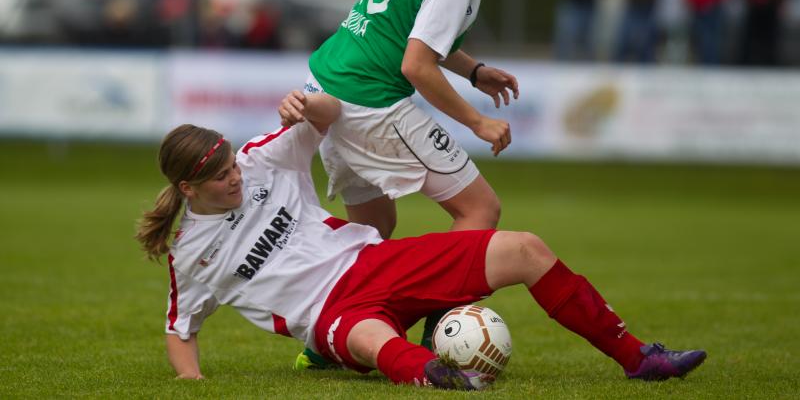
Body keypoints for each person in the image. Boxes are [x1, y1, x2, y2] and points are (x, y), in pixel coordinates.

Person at [135, 90, 707, 389]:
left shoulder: (261, 160)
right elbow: (180, 329)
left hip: (376, 262)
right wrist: (192, 381)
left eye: (232, 165)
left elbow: (327, 115)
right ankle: (440, 377)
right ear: (189, 188)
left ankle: (638, 359)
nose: (235, 177)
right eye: (221, 178)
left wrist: (307, 104)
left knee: (524, 248)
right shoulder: (191, 254)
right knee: (372, 340)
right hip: (331, 316)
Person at [305, 0, 603, 352]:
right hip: (370, 102)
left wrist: (474, 71)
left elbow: (410, 31)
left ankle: (326, 342)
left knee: (373, 231)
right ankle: (437, 334)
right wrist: (477, 122)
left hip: (327, 88)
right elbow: (417, 66)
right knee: (479, 209)